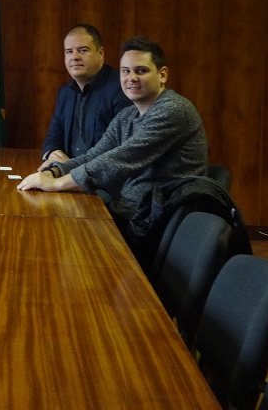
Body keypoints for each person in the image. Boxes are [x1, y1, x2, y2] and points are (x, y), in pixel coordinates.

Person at [18, 37, 208, 261]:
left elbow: (120, 159)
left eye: (141, 71)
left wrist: (58, 184)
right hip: (130, 213)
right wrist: (54, 171)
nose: (131, 78)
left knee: (64, 250)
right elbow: (95, 155)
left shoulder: (173, 110)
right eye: (125, 71)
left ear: (162, 74)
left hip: (157, 226)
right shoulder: (128, 115)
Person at [36, 24, 131, 173]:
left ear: (101, 53)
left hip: (104, 178)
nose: (75, 57)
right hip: (66, 174)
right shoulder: (65, 92)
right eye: (69, 51)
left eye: (83, 50)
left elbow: (121, 148)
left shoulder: (122, 88)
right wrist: (53, 153)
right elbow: (53, 135)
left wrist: (72, 168)